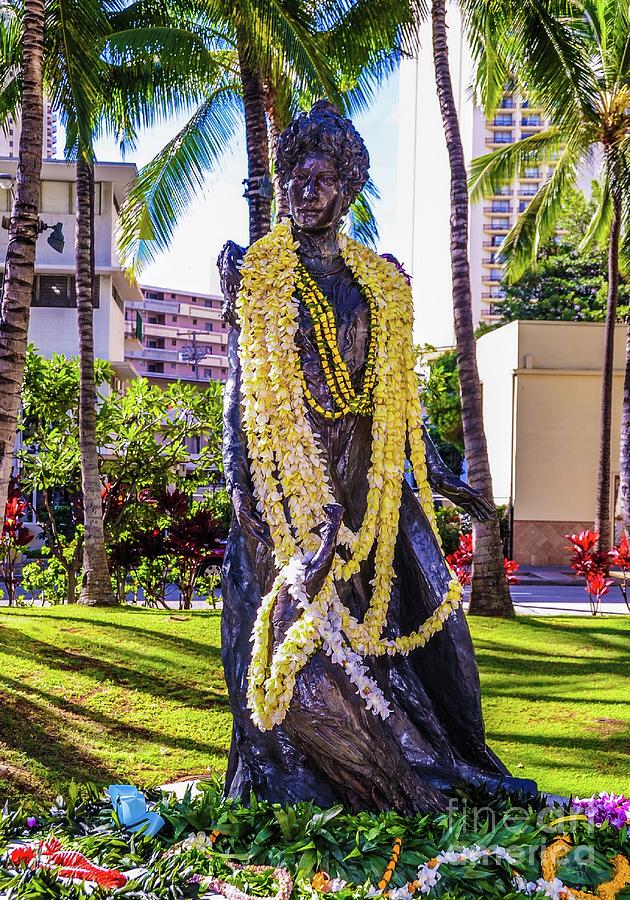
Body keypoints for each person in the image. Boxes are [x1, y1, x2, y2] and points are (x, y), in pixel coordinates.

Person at [218, 101, 535, 813]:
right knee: (310, 645)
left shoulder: (380, 281)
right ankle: (390, 784)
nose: (304, 188)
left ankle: (464, 760)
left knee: (442, 626)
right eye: (294, 175)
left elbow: (397, 392)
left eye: (320, 175)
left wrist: (442, 473)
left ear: (348, 186)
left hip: (374, 479)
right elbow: (241, 395)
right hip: (290, 488)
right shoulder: (259, 273)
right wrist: (249, 505)